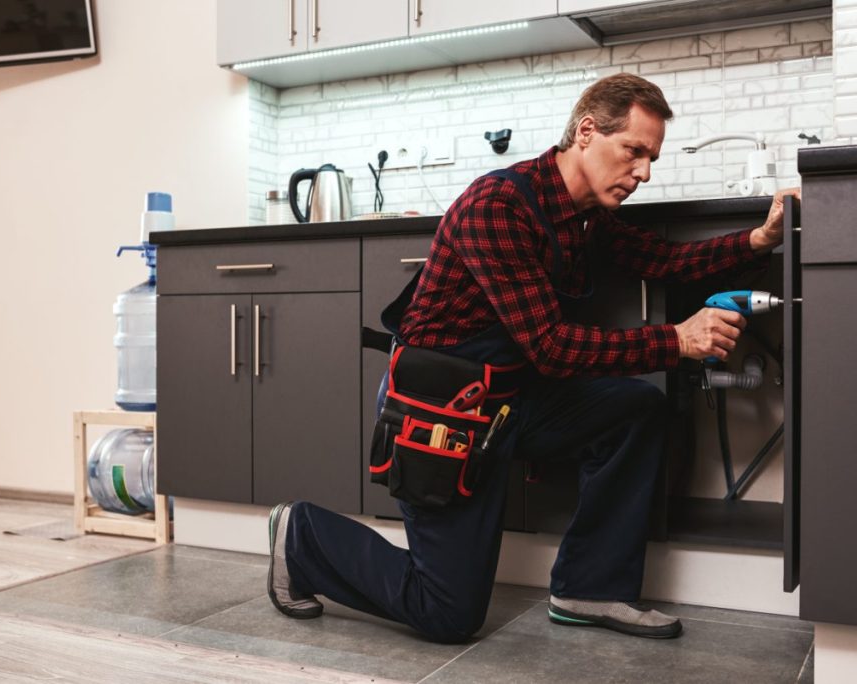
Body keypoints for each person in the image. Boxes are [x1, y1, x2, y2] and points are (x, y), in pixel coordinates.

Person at [267, 73, 799, 642]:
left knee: (636, 410)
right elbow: (551, 345)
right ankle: (300, 535)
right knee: (445, 613)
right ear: (588, 131)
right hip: (445, 412)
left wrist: (756, 242)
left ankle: (589, 587)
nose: (645, 172)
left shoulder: (586, 213)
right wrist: (676, 341)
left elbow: (661, 259)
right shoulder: (499, 204)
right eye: (634, 152)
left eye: (651, 157)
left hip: (513, 399)